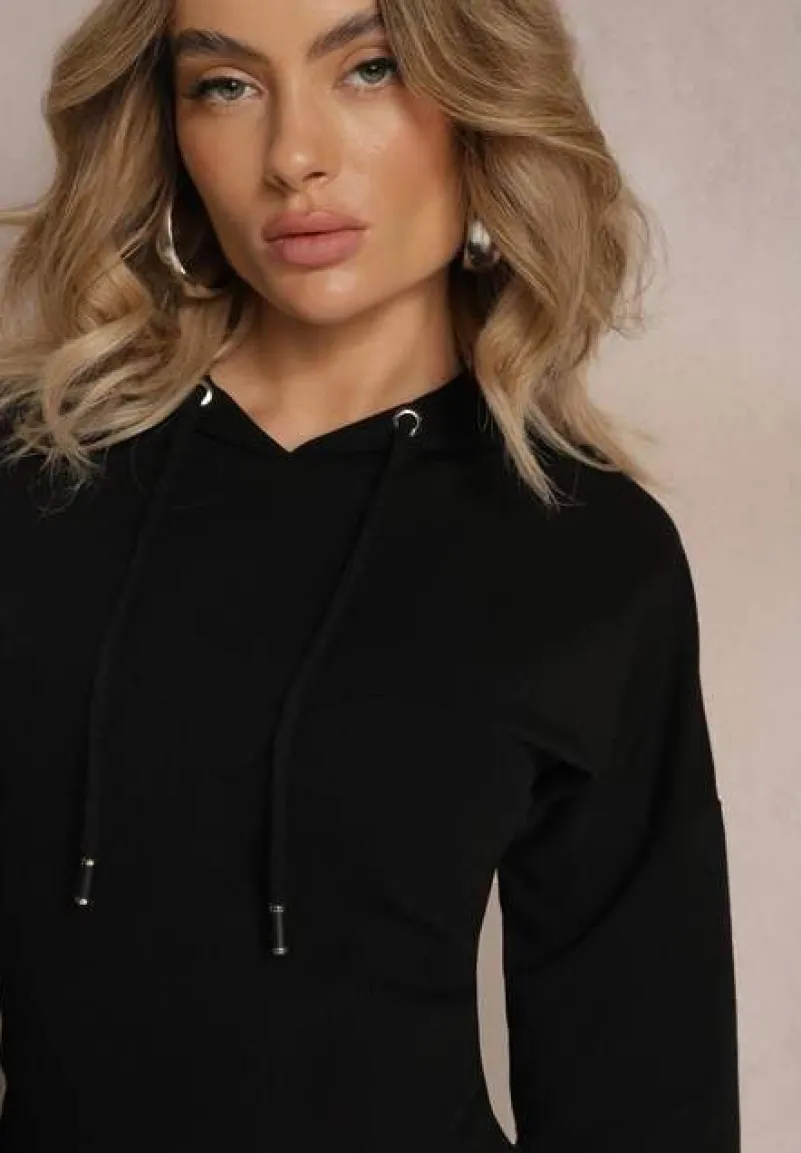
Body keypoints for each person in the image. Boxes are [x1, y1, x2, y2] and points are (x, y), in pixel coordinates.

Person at [0, 1, 740, 1150]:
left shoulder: (585, 551)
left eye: (369, 68)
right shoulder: (33, 484)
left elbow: (642, 1081)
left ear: (479, 97)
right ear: (168, 127)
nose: (293, 156)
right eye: (227, 86)